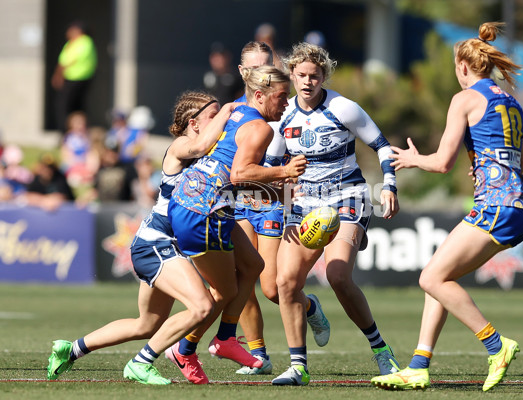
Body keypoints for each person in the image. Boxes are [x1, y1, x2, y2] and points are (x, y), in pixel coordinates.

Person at [371, 22, 523, 392]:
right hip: (519, 205)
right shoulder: (511, 102)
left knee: (430, 278)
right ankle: (418, 365)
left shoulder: (465, 99)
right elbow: (516, 160)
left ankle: (496, 346)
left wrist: (414, 159)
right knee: (440, 278)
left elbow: (442, 162)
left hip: (497, 205)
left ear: (463, 66)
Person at [46, 91, 239, 385]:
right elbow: (201, 145)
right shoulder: (184, 145)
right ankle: (142, 362)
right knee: (201, 306)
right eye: (212, 116)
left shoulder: (211, 153)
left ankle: (70, 350)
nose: (220, 121)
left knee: (147, 324)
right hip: (156, 243)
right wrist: (228, 110)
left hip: (162, 245)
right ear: (194, 122)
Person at [266, 42, 400, 386]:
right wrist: (279, 187)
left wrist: (389, 185)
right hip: (304, 204)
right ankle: (298, 367)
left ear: (324, 75)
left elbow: (382, 146)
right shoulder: (284, 115)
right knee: (284, 283)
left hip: (347, 199)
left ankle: (382, 352)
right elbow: (271, 163)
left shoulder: (344, 108)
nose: (308, 81)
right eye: (301, 75)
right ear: (292, 75)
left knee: (338, 276)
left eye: (315, 75)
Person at [166, 65, 307, 384]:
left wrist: (277, 192)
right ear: (260, 95)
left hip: (204, 201)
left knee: (253, 265)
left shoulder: (236, 110)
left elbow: (232, 175)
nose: (287, 103)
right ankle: (185, 349)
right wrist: (283, 173)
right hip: (202, 210)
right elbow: (240, 174)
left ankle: (225, 337)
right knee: (223, 290)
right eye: (282, 97)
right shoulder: (262, 130)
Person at [232, 41, 331, 376]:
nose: (261, 72)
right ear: (243, 73)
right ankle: (258, 356)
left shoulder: (284, 106)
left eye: (267, 65)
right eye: (253, 68)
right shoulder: (233, 111)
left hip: (275, 202)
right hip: (241, 200)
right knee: (239, 279)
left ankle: (309, 305)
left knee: (273, 287)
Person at [51, 21, 97, 133]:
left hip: (78, 79)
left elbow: (69, 61)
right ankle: (70, 131)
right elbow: (62, 61)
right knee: (72, 106)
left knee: (65, 106)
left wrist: (58, 74)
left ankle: (68, 131)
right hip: (70, 78)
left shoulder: (84, 41)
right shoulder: (71, 43)